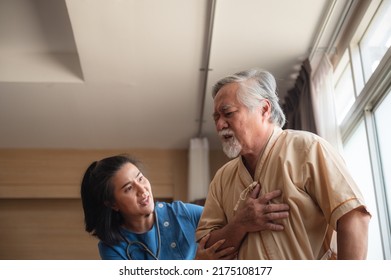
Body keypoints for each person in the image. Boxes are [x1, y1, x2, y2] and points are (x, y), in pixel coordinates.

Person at [195, 68, 371, 260]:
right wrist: (240, 224)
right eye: (216, 118)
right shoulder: (222, 179)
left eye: (227, 113)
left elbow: (353, 217)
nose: (220, 124)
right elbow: (206, 250)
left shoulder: (308, 148)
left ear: (264, 109)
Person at [80, 154, 235, 260]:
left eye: (140, 178)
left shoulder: (184, 214)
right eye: (128, 188)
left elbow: (230, 229)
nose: (142, 190)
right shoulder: (112, 249)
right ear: (112, 203)